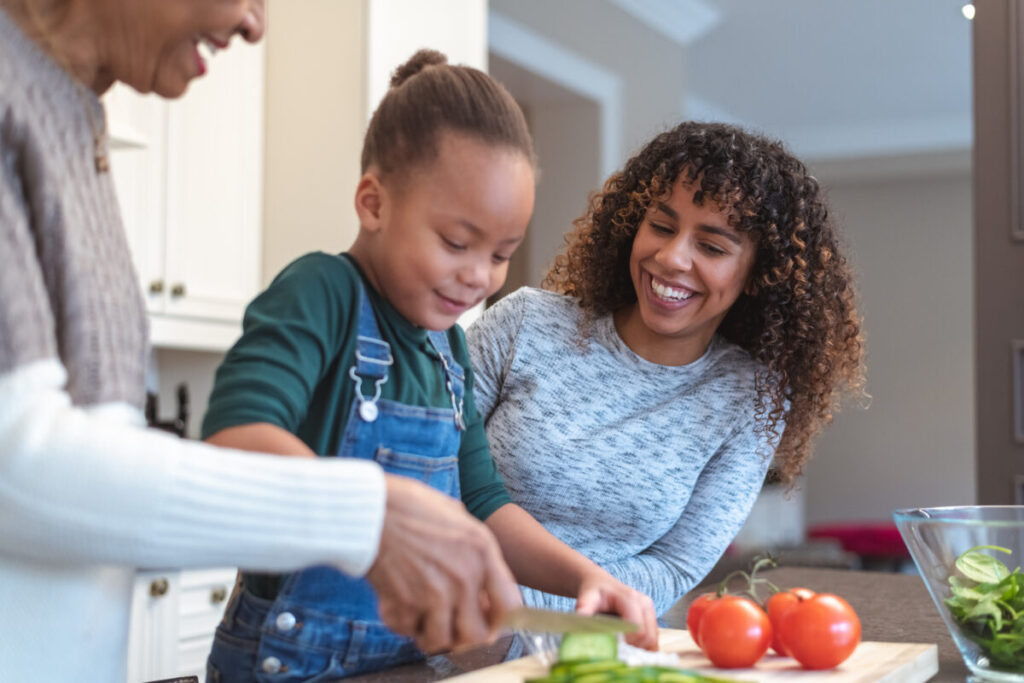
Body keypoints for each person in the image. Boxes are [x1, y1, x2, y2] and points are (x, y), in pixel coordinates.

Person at [0, 2, 523, 681]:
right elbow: (15, 464)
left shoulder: (71, 118)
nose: (256, 23)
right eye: (456, 242)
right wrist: (365, 516)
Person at [201, 49, 658, 681]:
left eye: (500, 254)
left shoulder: (449, 350)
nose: (479, 277)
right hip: (287, 665)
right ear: (374, 204)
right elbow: (235, 436)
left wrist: (587, 578)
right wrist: (377, 514)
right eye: (456, 242)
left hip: (405, 665)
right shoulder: (322, 293)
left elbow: (483, 502)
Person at [468, 121, 865, 616]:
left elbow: (674, 568)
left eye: (712, 247)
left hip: (585, 643)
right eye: (660, 226)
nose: (672, 257)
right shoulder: (524, 323)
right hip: (444, 621)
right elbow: (426, 468)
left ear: (759, 275)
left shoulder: (748, 397)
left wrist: (521, 616)